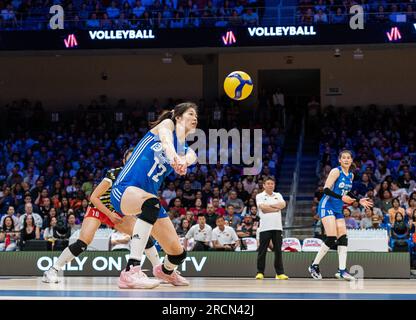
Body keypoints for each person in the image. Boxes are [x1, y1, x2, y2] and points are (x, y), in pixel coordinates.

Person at [111, 102, 198, 289]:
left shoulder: (187, 148)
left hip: (147, 200)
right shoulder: (166, 126)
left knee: (178, 253)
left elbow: (190, 157)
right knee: (151, 202)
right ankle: (130, 271)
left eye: (196, 115)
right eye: (191, 113)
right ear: (178, 117)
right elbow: (166, 142)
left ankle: (165, 272)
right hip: (124, 189)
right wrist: (174, 157)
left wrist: (182, 161)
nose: (195, 117)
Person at [42, 148, 160, 283]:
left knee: (143, 235)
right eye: (129, 158)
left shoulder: (141, 178)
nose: (132, 160)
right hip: (99, 209)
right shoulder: (114, 174)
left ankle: (159, 271)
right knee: (82, 243)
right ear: (124, 161)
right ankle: (52, 270)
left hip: (117, 210)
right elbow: (93, 197)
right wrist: (109, 214)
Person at [308, 150, 373, 281]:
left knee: (343, 237)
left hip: (338, 208)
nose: (346, 160)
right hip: (327, 205)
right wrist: (342, 198)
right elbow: (325, 189)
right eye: (344, 158)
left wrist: (358, 200)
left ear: (351, 160)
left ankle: (342, 270)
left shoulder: (351, 175)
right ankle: (314, 265)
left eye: (348, 158)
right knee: (331, 237)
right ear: (339, 160)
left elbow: (347, 192)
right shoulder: (335, 171)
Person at [255, 176, 288, 280]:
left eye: (272, 184)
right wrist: (275, 208)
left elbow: (283, 205)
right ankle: (260, 272)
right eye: (268, 183)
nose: (270, 185)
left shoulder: (278, 195)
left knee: (278, 251)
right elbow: (263, 208)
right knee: (262, 250)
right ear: (264, 185)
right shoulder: (259, 196)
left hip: (277, 227)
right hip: (264, 227)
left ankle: (279, 273)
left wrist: (270, 206)